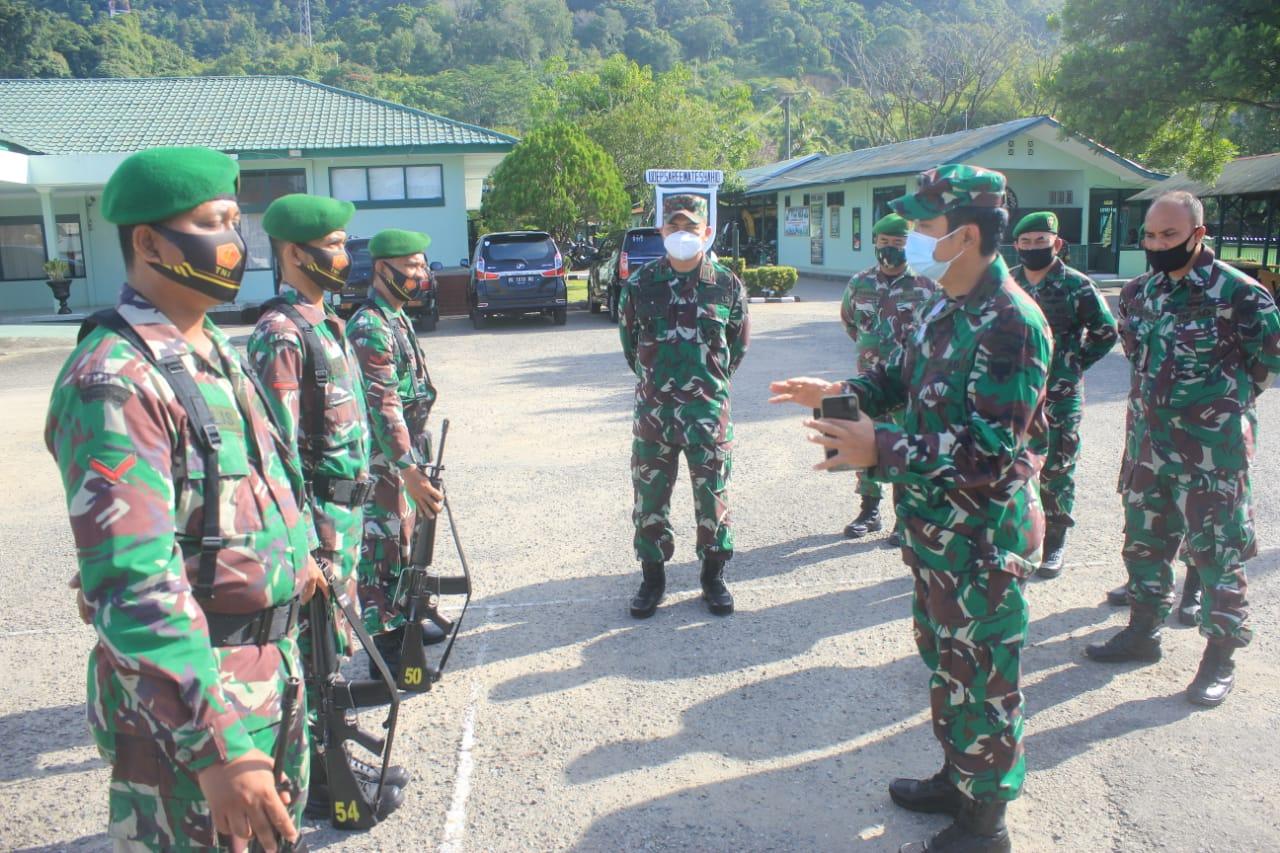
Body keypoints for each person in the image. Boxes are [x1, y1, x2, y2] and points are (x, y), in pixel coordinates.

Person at [46, 146, 318, 852]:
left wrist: (298, 554)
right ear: (148, 241)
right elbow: (133, 585)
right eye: (214, 221)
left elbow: (252, 483)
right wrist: (217, 746)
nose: (234, 240)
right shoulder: (114, 380)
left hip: (268, 683)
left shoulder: (211, 350)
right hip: (196, 714)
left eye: (236, 220)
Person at [771, 164, 1049, 853]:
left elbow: (988, 454)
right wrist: (839, 390)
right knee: (945, 660)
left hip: (980, 538)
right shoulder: (940, 302)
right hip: (933, 531)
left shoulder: (1012, 321)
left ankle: (988, 821)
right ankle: (958, 777)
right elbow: (898, 378)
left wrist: (880, 448)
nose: (911, 239)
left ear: (967, 234)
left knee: (983, 678)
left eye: (925, 226)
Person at [1085, 191, 1280, 707]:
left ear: (1198, 234)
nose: (1156, 244)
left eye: (1168, 236)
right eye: (1149, 235)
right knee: (1144, 543)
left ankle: (1220, 656)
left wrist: (1224, 402)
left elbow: (1269, 362)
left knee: (1218, 552)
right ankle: (1142, 633)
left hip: (1213, 454)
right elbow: (1137, 357)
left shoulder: (1240, 294)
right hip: (1148, 446)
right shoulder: (1137, 294)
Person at [247, 194, 407, 820]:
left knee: (330, 651)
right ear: (294, 253)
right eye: (335, 243)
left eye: (346, 242)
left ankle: (326, 757)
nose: (346, 254)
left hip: (343, 521)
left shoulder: (327, 323)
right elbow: (274, 456)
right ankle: (314, 779)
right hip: (315, 530)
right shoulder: (281, 335)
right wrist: (301, 547)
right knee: (310, 659)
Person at [620, 193, 750, 618]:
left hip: (708, 415)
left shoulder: (727, 284)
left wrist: (708, 387)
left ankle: (713, 577)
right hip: (653, 418)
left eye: (690, 227)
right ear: (661, 232)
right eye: (673, 227)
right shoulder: (640, 284)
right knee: (649, 500)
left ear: (706, 232)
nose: (682, 235)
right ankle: (652, 578)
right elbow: (630, 348)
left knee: (713, 498)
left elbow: (737, 347)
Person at [348, 228, 445, 676]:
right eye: (411, 268)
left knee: (406, 544)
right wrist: (408, 469)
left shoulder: (396, 317)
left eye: (423, 266)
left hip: (406, 453)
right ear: (382, 270)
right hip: (385, 461)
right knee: (382, 548)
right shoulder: (368, 325)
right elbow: (383, 403)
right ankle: (383, 646)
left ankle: (403, 619)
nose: (421, 275)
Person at [1009, 211, 1118, 577]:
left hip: (1060, 394)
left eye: (1041, 241)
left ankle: (1055, 542)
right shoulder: (1007, 284)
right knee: (1012, 466)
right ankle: (1017, 537)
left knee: (1057, 468)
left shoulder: (1077, 285)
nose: (1033, 247)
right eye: (1026, 242)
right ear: (1016, 246)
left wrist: (1072, 366)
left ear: (1057, 244)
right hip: (1016, 394)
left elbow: (1105, 332)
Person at [839, 213, 936, 542]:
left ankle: (903, 517)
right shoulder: (859, 283)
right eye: (885, 242)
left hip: (908, 382)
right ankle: (869, 510)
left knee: (902, 444)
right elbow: (850, 322)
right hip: (869, 381)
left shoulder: (925, 286)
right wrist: (870, 353)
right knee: (866, 442)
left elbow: (936, 330)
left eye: (898, 243)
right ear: (875, 243)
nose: (891, 249)